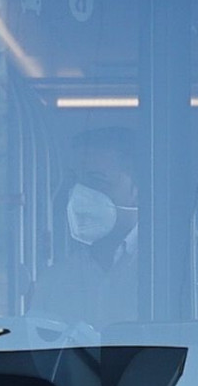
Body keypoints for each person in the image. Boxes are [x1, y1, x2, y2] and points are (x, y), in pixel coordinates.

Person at [29, 127, 145, 334]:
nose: (79, 193)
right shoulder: (54, 280)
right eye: (75, 180)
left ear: (137, 190)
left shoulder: (164, 272)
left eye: (96, 180)